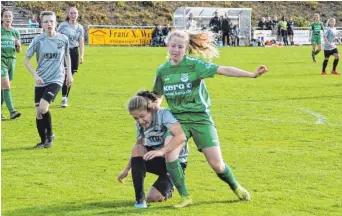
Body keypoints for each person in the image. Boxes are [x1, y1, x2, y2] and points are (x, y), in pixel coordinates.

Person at [152, 30, 268, 202]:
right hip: (179, 121)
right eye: (173, 46)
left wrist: (251, 75)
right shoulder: (162, 70)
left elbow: (223, 69)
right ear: (167, 45)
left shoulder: (194, 65)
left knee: (217, 164)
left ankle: (235, 186)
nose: (176, 50)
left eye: (180, 47)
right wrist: (154, 106)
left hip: (200, 119)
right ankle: (185, 196)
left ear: (186, 48)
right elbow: (157, 94)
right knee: (169, 154)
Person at [118, 90, 191, 208]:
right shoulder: (140, 124)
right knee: (138, 147)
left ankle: (169, 186)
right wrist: (127, 169)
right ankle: (140, 200)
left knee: (153, 197)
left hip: (174, 163)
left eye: (142, 116)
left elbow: (181, 136)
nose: (140, 121)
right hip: (155, 158)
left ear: (150, 110)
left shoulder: (164, 114)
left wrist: (161, 151)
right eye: (136, 118)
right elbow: (138, 145)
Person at [24, 11, 73, 148]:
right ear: (42, 24)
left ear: (56, 22)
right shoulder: (38, 40)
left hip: (57, 79)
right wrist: (35, 75)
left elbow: (67, 56)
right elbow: (26, 60)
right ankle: (42, 140)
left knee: (43, 108)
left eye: (51, 21)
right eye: (46, 21)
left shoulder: (63, 39)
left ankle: (50, 135)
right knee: (39, 113)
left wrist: (69, 74)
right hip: (41, 79)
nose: (49, 24)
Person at [57, 6, 85, 107]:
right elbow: (56, 37)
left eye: (75, 13)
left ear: (78, 15)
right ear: (68, 14)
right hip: (64, 52)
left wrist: (81, 55)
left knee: (71, 75)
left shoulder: (80, 28)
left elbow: (81, 42)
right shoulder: (63, 26)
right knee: (66, 74)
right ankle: (64, 98)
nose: (73, 15)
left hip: (74, 52)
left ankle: (65, 95)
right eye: (71, 13)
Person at [1, 9, 22, 120]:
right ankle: (12, 111)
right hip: (1, 61)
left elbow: (19, 51)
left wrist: (18, 45)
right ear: (2, 18)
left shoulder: (15, 32)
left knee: (3, 88)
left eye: (10, 16)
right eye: (6, 16)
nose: (8, 18)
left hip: (12, 61)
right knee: (6, 86)